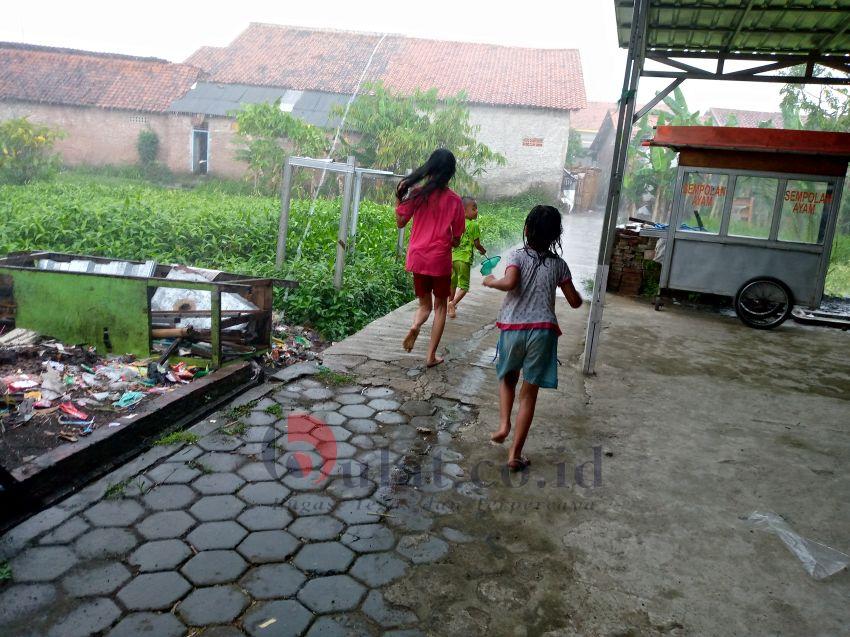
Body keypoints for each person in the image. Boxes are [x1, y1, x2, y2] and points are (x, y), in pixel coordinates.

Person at [483, 205, 583, 470]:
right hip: (543, 331)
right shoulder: (559, 265)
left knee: (508, 378)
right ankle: (515, 455)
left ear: (527, 230)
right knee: (529, 395)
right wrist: (572, 290)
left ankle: (504, 424)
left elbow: (510, 283)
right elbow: (575, 302)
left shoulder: (517, 256)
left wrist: (491, 281)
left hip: (514, 328)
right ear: (555, 236)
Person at [396, 148, 466, 367]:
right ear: (450, 173)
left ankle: (416, 325)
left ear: (430, 168)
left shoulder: (417, 194)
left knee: (424, 306)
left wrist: (400, 198)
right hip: (439, 261)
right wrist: (450, 240)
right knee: (440, 307)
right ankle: (430, 356)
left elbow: (400, 222)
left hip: (418, 258)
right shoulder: (455, 201)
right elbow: (457, 238)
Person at [448, 196, 487, 319]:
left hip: (453, 258)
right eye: (474, 208)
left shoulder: (456, 223)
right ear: (464, 211)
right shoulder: (474, 225)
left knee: (452, 283)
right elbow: (476, 244)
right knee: (464, 287)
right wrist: (482, 250)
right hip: (464, 260)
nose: (477, 211)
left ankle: (450, 303)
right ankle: (452, 304)